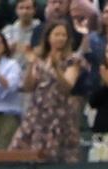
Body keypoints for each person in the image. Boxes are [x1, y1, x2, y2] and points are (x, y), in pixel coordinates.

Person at [9, 22, 82, 160]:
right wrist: (31, 64)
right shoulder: (39, 58)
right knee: (20, 153)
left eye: (63, 35)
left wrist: (56, 68)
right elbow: (28, 87)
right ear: (48, 37)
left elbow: (67, 86)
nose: (60, 38)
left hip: (60, 116)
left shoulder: (72, 60)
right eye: (56, 34)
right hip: (37, 115)